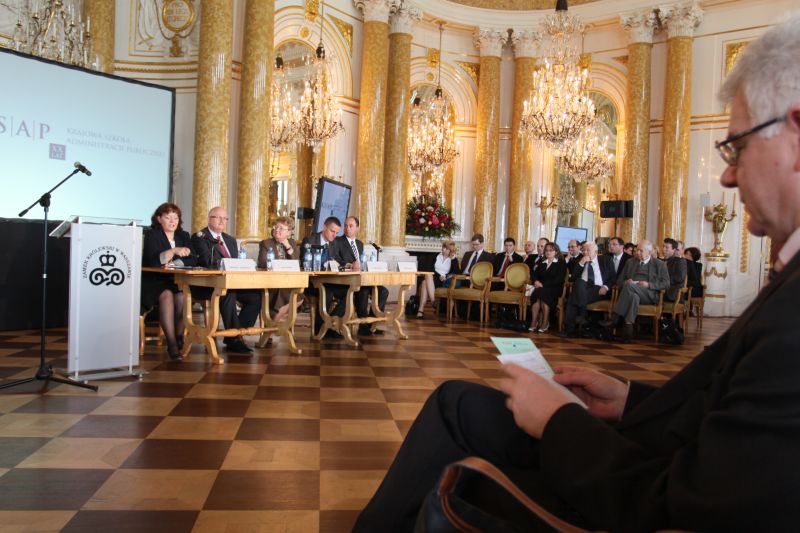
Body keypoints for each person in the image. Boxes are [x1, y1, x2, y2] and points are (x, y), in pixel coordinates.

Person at [355, 19, 800, 531]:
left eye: (736, 146)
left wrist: (558, 419)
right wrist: (628, 399)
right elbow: (718, 406)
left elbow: (692, 500)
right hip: (651, 446)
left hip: (635, 490)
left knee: (456, 412)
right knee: (456, 402)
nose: (727, 174)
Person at [191, 207, 262, 354]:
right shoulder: (199, 237)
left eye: (225, 218)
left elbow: (236, 263)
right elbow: (206, 261)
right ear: (209, 219)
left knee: (255, 297)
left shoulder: (230, 240)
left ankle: (233, 334)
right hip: (207, 284)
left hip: (231, 282)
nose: (222, 221)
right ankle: (234, 339)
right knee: (227, 293)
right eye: (218, 217)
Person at [141, 202, 197, 361]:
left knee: (181, 296)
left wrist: (174, 263)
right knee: (166, 295)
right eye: (168, 217)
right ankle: (171, 344)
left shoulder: (183, 235)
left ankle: (179, 337)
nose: (173, 221)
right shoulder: (152, 235)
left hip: (175, 280)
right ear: (159, 219)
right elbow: (152, 261)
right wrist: (173, 251)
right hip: (154, 281)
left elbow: (193, 258)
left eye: (175, 218)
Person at [330, 216, 388, 336]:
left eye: (351, 226)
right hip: (347, 280)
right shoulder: (338, 241)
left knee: (383, 291)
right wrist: (349, 265)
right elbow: (335, 259)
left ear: (357, 228)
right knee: (363, 291)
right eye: (346, 226)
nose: (347, 228)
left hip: (362, 279)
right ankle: (363, 325)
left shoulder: (360, 244)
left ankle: (371, 325)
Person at [601, 240, 669, 342]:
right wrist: (626, 282)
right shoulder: (630, 262)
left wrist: (649, 284)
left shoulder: (659, 264)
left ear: (649, 252)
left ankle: (614, 319)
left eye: (641, 251)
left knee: (629, 287)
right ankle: (628, 333)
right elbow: (619, 281)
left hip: (649, 294)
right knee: (633, 296)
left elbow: (666, 283)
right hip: (631, 291)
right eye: (637, 250)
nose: (637, 253)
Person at [559, 240, 616, 338]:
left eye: (588, 250)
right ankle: (583, 315)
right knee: (579, 282)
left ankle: (570, 329)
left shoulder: (606, 260)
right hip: (584, 288)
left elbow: (613, 277)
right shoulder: (579, 261)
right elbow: (572, 279)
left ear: (595, 251)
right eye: (583, 250)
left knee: (573, 297)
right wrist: (581, 263)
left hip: (599, 290)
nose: (585, 252)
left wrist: (606, 287)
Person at [300, 216, 344, 339]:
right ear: (324, 227)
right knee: (326, 291)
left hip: (330, 281)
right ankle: (320, 328)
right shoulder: (310, 240)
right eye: (332, 231)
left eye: (336, 233)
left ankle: (329, 325)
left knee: (350, 292)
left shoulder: (334, 242)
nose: (334, 235)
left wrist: (344, 264)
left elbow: (338, 259)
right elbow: (304, 261)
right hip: (312, 282)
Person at [257, 216, 303, 323]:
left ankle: (272, 322)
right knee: (286, 290)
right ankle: (272, 323)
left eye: (281, 228)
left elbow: (297, 264)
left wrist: (288, 247)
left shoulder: (292, 244)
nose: (277, 230)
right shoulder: (266, 243)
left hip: (288, 281)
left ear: (289, 232)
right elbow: (262, 263)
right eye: (276, 227)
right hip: (271, 281)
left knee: (299, 293)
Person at [527, 242, 566, 333]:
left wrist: (543, 285)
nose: (548, 252)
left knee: (543, 293)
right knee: (536, 293)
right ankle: (534, 321)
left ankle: (545, 322)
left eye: (551, 250)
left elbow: (559, 279)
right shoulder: (542, 262)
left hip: (554, 288)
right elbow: (534, 275)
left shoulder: (561, 263)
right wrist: (535, 281)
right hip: (541, 288)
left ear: (556, 252)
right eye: (546, 250)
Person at [418, 240, 459, 318]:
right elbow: (429, 269)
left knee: (424, 283)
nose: (444, 249)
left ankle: (421, 310)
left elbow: (457, 273)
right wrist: (438, 276)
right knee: (428, 276)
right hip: (434, 279)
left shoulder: (453, 259)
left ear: (451, 250)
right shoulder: (435, 256)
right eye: (444, 247)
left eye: (447, 248)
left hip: (444, 281)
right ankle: (433, 301)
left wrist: (446, 276)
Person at [662, 238, 687, 302]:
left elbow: (679, 278)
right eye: (663, 246)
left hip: (671, 292)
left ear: (673, 250)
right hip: (660, 288)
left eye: (666, 247)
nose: (663, 249)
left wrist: (663, 280)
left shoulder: (680, 261)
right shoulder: (661, 261)